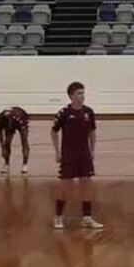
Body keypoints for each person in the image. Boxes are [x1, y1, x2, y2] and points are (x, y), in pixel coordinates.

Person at [51, 82, 104, 230]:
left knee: (86, 185)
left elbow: (92, 132)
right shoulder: (64, 113)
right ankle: (58, 217)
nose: (82, 96)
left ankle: (87, 218)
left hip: (84, 154)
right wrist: (57, 151)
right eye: (79, 93)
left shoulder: (88, 112)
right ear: (72, 96)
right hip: (69, 155)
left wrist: (92, 150)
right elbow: (54, 131)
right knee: (65, 187)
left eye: (83, 93)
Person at [0, 106, 31, 175]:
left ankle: (25, 164)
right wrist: (2, 148)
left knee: (24, 140)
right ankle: (6, 164)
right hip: (11, 122)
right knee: (7, 142)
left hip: (21, 119)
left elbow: (24, 136)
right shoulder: (0, 120)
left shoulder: (19, 118)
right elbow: (0, 134)